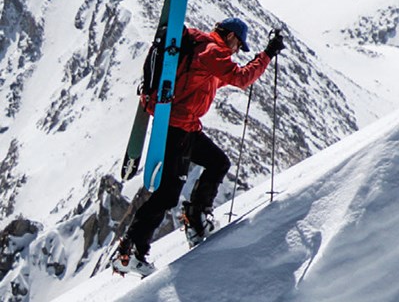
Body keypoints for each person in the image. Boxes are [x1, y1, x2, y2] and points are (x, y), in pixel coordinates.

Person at [112, 18, 285, 276]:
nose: (237, 50)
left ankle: (196, 220)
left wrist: (258, 61)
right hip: (178, 128)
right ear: (230, 37)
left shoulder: (204, 51)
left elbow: (232, 76)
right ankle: (130, 252)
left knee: (218, 163)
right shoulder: (212, 51)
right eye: (238, 44)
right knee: (168, 193)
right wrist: (268, 54)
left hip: (187, 127)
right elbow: (240, 78)